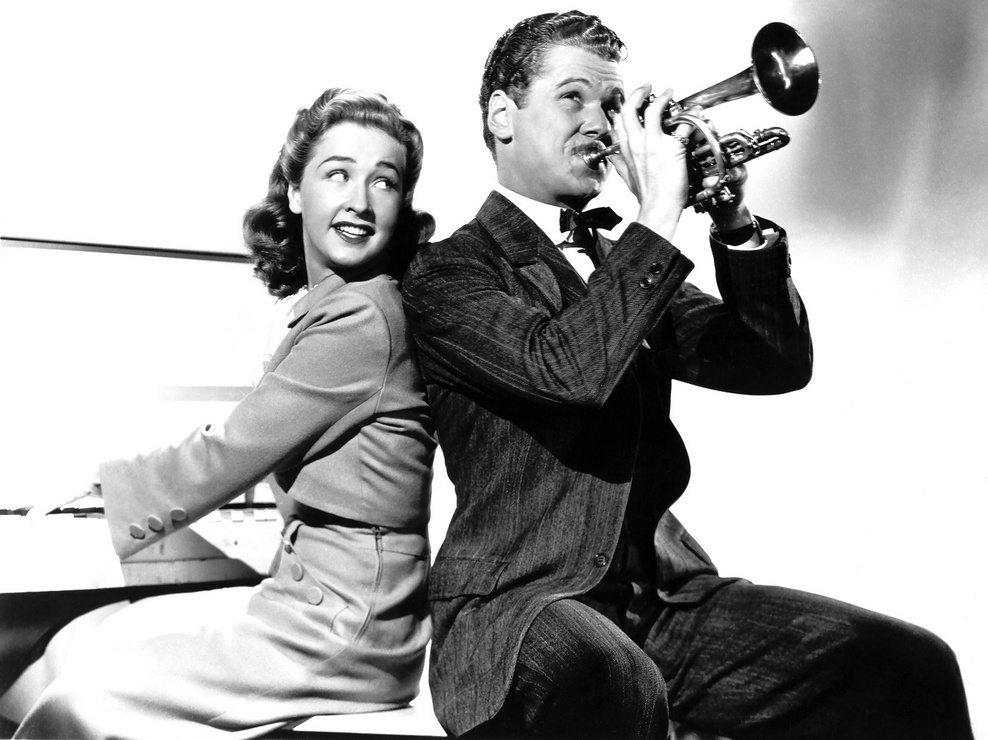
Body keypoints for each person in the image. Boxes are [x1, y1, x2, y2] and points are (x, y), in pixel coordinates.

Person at [401, 11, 973, 740]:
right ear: (501, 115)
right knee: (615, 678)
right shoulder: (449, 272)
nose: (601, 125)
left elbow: (771, 361)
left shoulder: (620, 261)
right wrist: (660, 208)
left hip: (662, 602)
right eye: (573, 97)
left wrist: (733, 221)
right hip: (521, 609)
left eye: (613, 105)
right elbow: (568, 371)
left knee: (911, 665)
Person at [12, 87, 437, 739]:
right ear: (295, 191)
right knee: (72, 645)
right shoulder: (337, 306)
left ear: (401, 204)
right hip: (318, 604)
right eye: (338, 173)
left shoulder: (362, 320)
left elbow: (230, 451)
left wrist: (102, 485)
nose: (360, 199)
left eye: (384, 181)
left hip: (343, 628)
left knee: (81, 697)